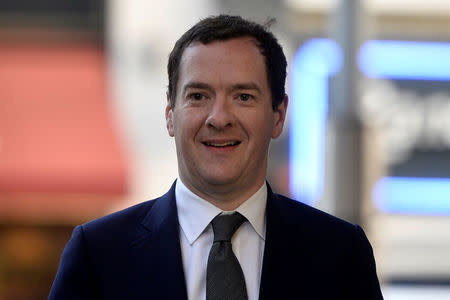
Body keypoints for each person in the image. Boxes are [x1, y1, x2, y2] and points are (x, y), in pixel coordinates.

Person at [49, 15, 383, 299]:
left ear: (278, 115)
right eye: (198, 96)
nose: (219, 117)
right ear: (170, 113)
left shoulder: (341, 255)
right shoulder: (98, 253)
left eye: (243, 96)